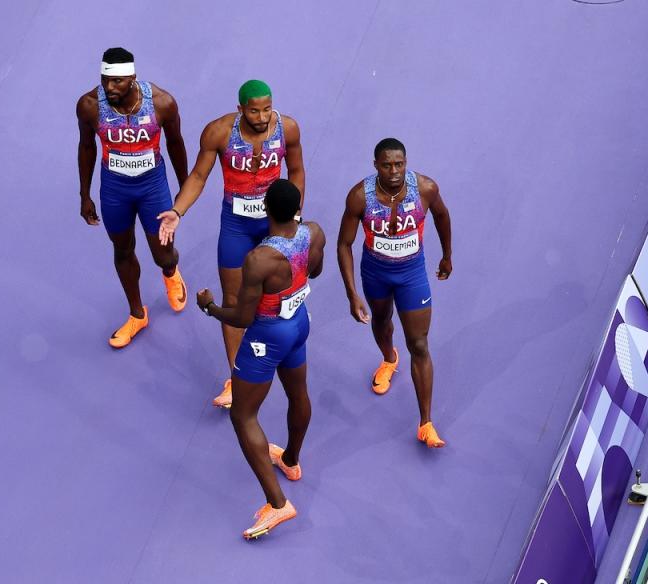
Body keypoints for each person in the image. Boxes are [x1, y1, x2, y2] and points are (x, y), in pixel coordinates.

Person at [158, 80, 304, 407]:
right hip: (236, 225)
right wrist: (178, 210)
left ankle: (282, 356)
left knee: (278, 298)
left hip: (273, 224)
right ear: (240, 110)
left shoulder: (288, 129)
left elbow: (296, 172)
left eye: (267, 109)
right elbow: (197, 176)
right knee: (235, 299)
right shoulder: (219, 133)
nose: (263, 116)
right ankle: (238, 379)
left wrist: (293, 217)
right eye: (254, 110)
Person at [196, 179, 325, 539]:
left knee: (242, 415)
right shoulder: (314, 232)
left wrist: (209, 308)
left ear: (266, 209)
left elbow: (241, 318)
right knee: (298, 393)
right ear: (297, 206)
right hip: (299, 323)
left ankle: (278, 504)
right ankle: (291, 460)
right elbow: (315, 271)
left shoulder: (259, 259)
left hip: (267, 336)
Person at [337, 138, 453, 448]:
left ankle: (425, 423)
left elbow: (442, 216)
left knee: (419, 343)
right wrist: (352, 294)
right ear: (375, 166)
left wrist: (447, 255)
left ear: (405, 162)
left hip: (411, 273)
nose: (394, 171)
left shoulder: (425, 188)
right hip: (375, 273)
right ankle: (389, 359)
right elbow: (344, 244)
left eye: (399, 164)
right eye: (387, 165)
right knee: (381, 322)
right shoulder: (359, 197)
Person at [76, 47, 189, 348]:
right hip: (114, 190)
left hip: (153, 187)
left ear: (133, 78)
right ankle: (137, 314)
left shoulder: (162, 103)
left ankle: (170, 271)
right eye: (105, 81)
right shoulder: (89, 106)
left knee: (162, 253)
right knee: (122, 250)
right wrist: (84, 194)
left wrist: (185, 187)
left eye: (118, 82)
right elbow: (87, 147)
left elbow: (176, 143)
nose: (110, 88)